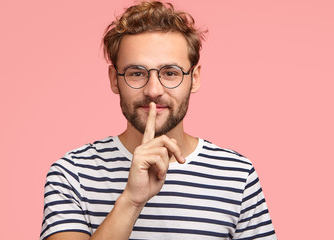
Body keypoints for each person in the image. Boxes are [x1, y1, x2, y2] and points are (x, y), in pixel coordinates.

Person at [40, 1, 277, 239]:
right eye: (136, 73)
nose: (153, 90)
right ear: (115, 79)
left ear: (194, 78)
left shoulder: (237, 174)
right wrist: (131, 201)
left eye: (170, 73)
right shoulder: (72, 173)